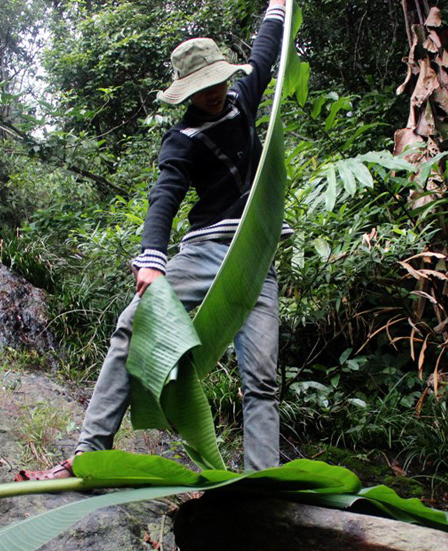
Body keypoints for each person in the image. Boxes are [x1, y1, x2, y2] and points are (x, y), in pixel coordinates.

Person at [16, 0, 288, 480]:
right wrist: (152, 261)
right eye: (202, 88)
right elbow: (164, 198)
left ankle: (261, 483)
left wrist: (277, 9)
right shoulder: (182, 138)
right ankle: (88, 452)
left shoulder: (242, 99)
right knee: (132, 325)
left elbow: (266, 55)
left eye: (218, 82)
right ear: (187, 91)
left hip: (258, 254)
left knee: (263, 378)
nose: (213, 93)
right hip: (206, 251)